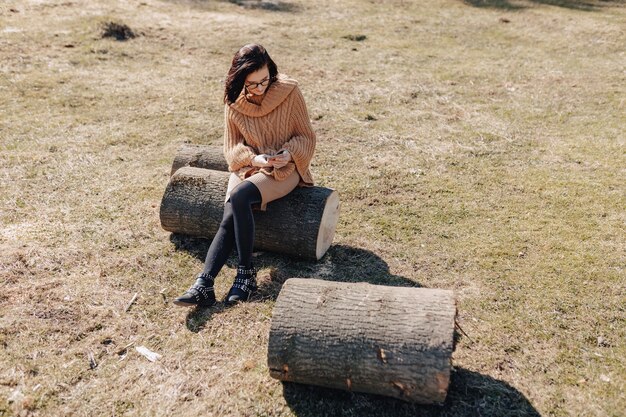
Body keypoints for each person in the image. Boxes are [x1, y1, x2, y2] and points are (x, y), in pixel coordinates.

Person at [174, 44, 316, 307]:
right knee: (230, 214)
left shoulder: (289, 91)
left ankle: (246, 274)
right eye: (253, 84)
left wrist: (288, 153)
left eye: (265, 80)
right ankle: (204, 284)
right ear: (239, 79)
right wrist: (253, 159)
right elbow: (232, 147)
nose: (260, 88)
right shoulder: (233, 100)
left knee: (239, 196)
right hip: (250, 165)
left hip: (286, 168)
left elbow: (306, 136)